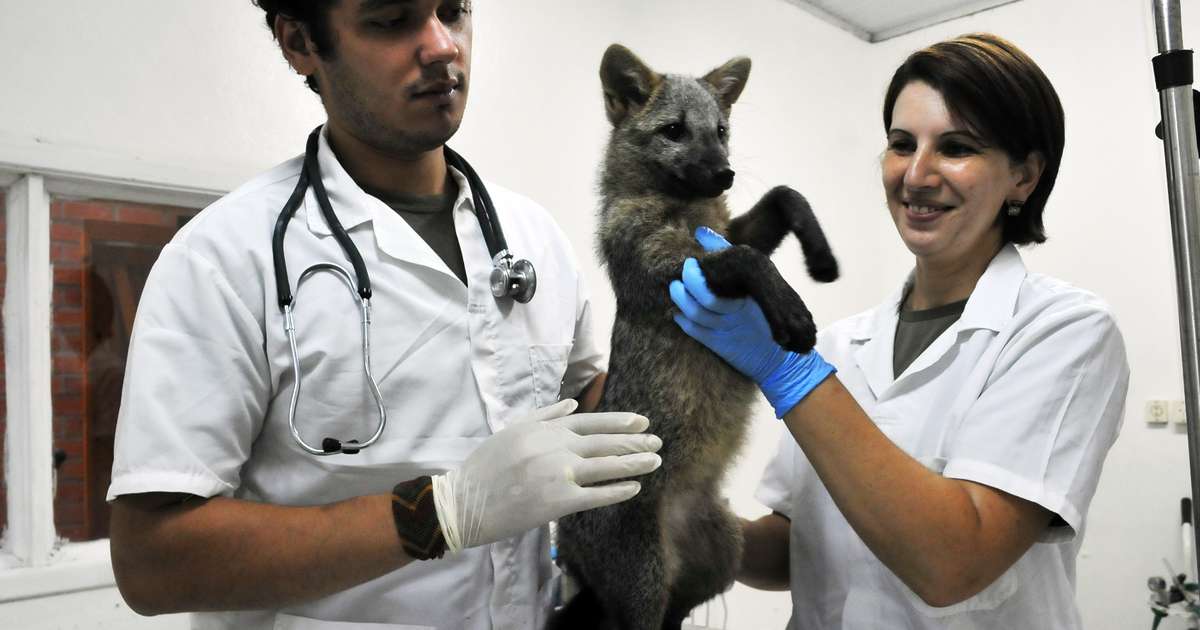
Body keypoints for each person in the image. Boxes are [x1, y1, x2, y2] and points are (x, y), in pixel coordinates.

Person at [106, 1, 664, 628]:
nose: (441, 46)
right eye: (392, 20)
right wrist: (440, 513)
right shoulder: (224, 257)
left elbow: (592, 411)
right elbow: (151, 562)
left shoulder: (532, 237)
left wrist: (687, 346)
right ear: (300, 42)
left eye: (452, 11)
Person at [671, 33, 1129, 629]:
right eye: (901, 144)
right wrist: (680, 523)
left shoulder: (1064, 332)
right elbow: (796, 548)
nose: (915, 175)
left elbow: (953, 563)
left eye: (956, 147)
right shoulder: (838, 344)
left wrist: (787, 372)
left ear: (1023, 176)